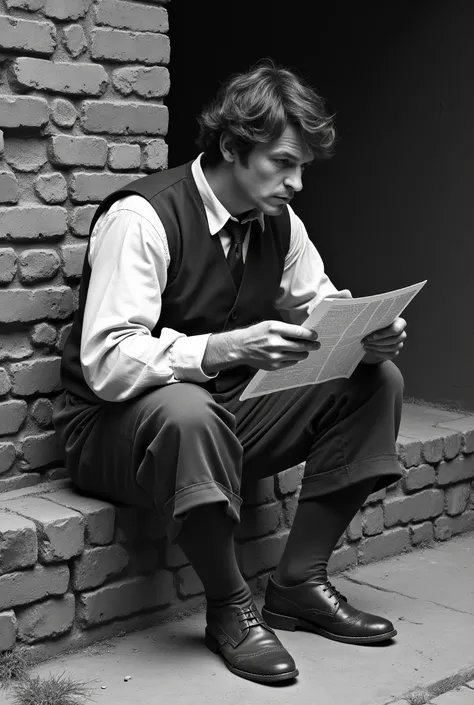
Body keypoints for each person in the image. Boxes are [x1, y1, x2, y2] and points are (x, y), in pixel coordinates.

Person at [54, 60, 407, 685]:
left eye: (303, 167)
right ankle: (231, 610)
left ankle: (298, 583)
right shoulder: (143, 218)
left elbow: (323, 312)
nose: (297, 182)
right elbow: (107, 363)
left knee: (376, 384)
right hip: (116, 434)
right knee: (189, 409)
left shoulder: (281, 224)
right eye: (283, 162)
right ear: (231, 147)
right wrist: (221, 349)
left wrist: (367, 340)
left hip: (219, 423)